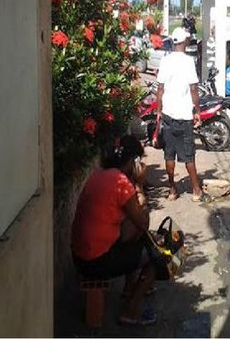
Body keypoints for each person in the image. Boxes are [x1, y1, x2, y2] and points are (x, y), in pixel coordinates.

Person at [71, 136, 158, 327]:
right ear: (133, 162)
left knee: (136, 236)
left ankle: (129, 287)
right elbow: (143, 222)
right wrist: (140, 185)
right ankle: (131, 311)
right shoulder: (121, 183)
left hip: (80, 255)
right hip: (96, 261)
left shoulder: (98, 174)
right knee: (157, 256)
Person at [156, 27, 210, 203]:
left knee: (169, 155)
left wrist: (158, 111)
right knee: (189, 156)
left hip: (168, 114)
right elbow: (194, 88)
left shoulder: (165, 61)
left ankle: (172, 190)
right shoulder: (188, 62)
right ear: (184, 42)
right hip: (184, 116)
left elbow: (160, 88)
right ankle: (196, 191)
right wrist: (197, 110)